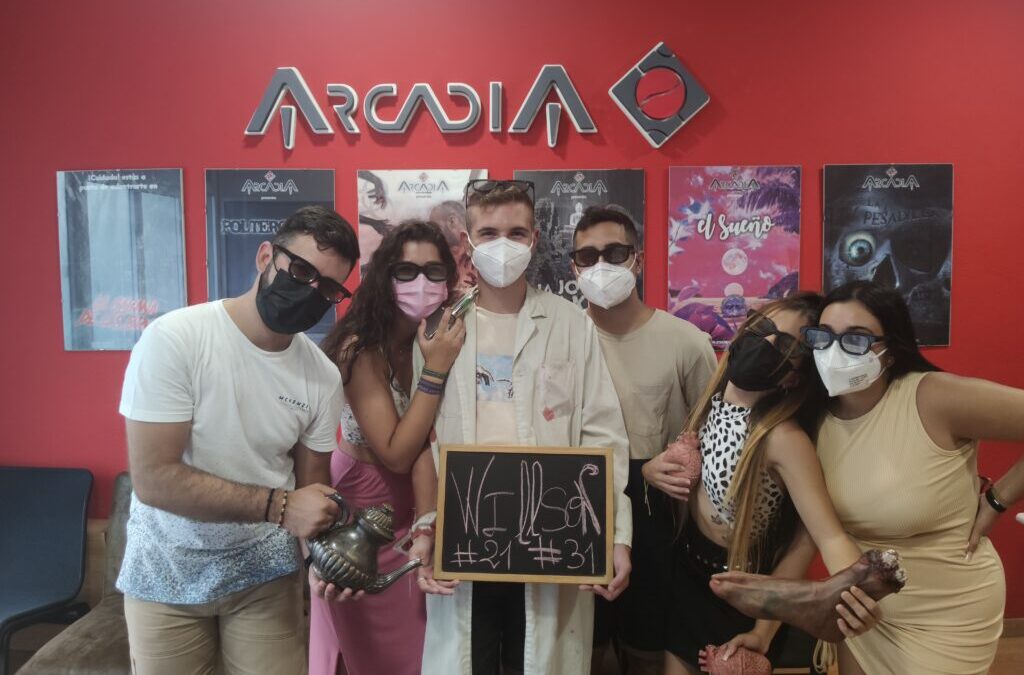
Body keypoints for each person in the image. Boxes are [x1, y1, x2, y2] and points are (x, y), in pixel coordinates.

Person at [713, 280, 1019, 674]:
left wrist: (997, 500)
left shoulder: (933, 397)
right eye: (823, 337)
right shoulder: (812, 421)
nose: (834, 352)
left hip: (947, 608)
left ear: (891, 351)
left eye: (856, 339)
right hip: (860, 605)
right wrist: (762, 633)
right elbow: (810, 536)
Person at [118, 206, 361, 675]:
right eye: (302, 272)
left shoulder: (322, 377)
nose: (312, 291)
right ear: (266, 256)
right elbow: (154, 479)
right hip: (166, 570)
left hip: (264, 576)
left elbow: (311, 492)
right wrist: (281, 507)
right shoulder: (175, 340)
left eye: (329, 288)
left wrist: (328, 560)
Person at [409, 179, 634, 675]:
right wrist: (426, 526)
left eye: (515, 232)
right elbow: (422, 440)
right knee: (471, 659)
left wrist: (615, 534)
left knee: (537, 659)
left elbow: (603, 434)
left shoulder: (570, 324)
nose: (503, 245)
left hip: (551, 532)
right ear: (467, 241)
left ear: (534, 239)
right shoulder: (440, 329)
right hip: (465, 534)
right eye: (488, 233)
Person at [642, 293, 880, 675]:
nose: (766, 343)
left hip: (743, 592)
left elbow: (821, 535)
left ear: (795, 375)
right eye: (762, 328)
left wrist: (766, 629)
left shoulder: (783, 439)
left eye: (785, 346)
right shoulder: (710, 402)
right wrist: (651, 470)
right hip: (688, 575)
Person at [312, 220, 467, 675]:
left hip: (423, 508)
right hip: (363, 513)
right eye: (406, 271)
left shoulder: (441, 334)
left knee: (422, 649)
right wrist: (436, 370)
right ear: (384, 275)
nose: (421, 282)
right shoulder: (360, 348)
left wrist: (428, 522)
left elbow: (429, 441)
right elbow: (397, 451)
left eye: (434, 271)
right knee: (363, 649)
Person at [570, 205, 717, 675]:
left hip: (659, 529)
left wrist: (662, 466)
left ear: (637, 258)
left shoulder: (685, 342)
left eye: (615, 253)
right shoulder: (562, 340)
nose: (602, 265)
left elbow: (713, 440)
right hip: (574, 516)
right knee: (582, 650)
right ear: (574, 267)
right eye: (588, 256)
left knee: (647, 651)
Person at [429, 200, 478, 294]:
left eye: (434, 226)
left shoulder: (481, 253)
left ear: (452, 221)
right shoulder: (438, 260)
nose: (431, 232)